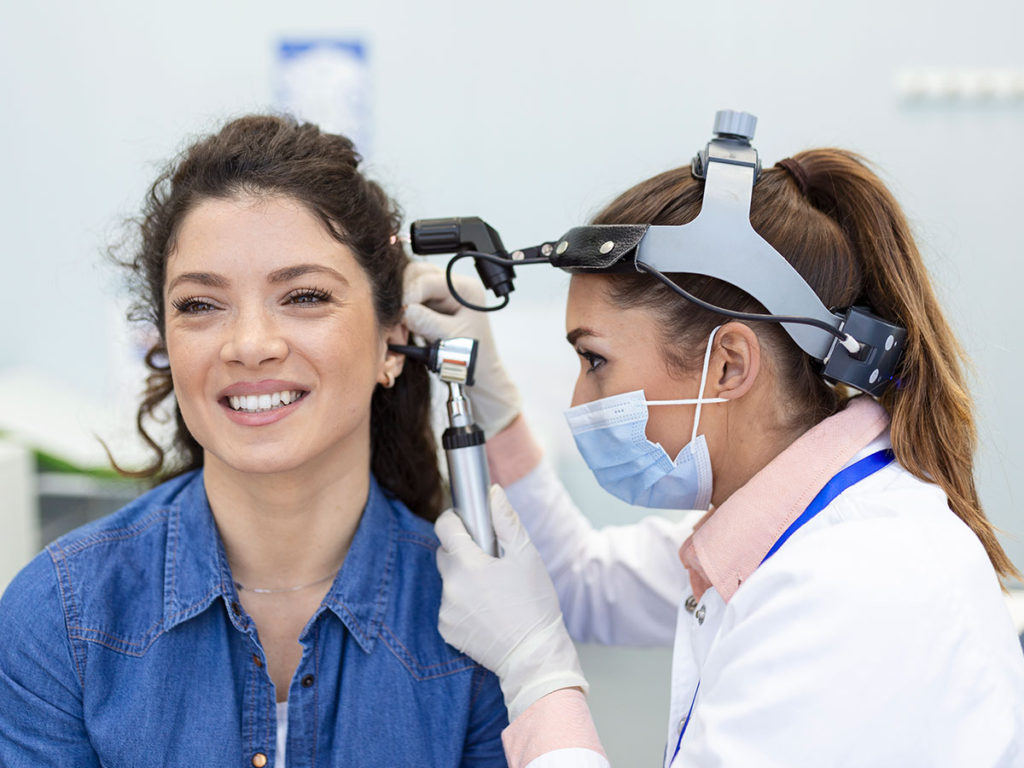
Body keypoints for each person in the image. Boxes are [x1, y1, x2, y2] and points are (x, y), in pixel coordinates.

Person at [404, 135, 1024, 766]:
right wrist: (497, 403)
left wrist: (535, 670)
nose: (578, 398)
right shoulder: (782, 528)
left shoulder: (854, 583)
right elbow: (582, 582)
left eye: (595, 360)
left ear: (727, 366)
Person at [0, 115, 508, 767]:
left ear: (392, 343)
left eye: (303, 295)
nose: (250, 346)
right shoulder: (61, 615)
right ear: (163, 344)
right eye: (200, 305)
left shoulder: (475, 622)